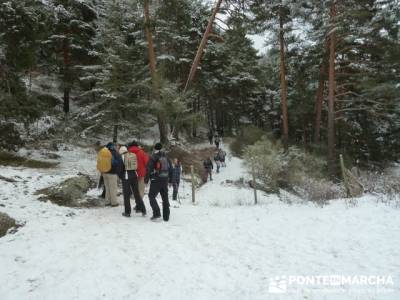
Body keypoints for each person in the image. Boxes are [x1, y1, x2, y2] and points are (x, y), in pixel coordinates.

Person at [145, 142, 173, 221]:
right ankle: (166, 216)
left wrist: (146, 180)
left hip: (156, 180)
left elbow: (148, 169)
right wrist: (170, 180)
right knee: (165, 198)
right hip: (165, 180)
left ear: (154, 149)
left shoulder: (153, 157)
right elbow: (171, 169)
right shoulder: (166, 157)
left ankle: (157, 213)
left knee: (151, 196)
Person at [119, 146, 146, 217]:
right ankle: (143, 209)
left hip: (126, 176)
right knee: (136, 193)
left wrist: (121, 177)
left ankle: (127, 212)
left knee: (126, 195)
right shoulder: (132, 155)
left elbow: (120, 168)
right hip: (134, 174)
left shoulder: (122, 157)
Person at [128, 141, 149, 209]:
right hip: (140, 174)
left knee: (134, 190)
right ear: (137, 146)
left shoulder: (128, 152)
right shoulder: (142, 152)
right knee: (141, 190)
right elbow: (147, 163)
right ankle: (139, 205)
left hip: (131, 174)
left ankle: (137, 204)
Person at [103, 142, 122, 207]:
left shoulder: (104, 153)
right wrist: (119, 173)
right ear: (113, 147)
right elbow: (120, 164)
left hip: (104, 173)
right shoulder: (116, 154)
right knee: (113, 188)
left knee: (107, 188)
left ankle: (107, 201)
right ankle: (114, 203)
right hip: (112, 173)